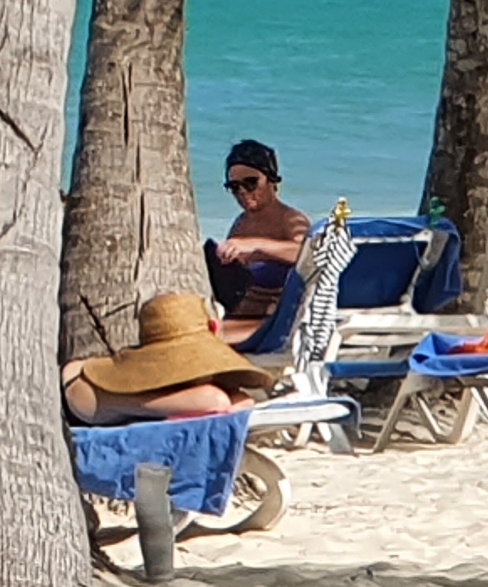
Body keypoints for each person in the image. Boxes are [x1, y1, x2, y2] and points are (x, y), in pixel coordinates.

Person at [64, 294, 275, 426]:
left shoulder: (191, 382)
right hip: (75, 391)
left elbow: (245, 401)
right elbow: (215, 401)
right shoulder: (90, 389)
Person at [204, 138, 313, 338]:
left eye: (251, 183)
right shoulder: (241, 223)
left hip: (272, 322)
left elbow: (307, 253)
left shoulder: (290, 219)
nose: (243, 192)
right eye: (235, 187)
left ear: (271, 180)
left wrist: (255, 246)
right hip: (237, 316)